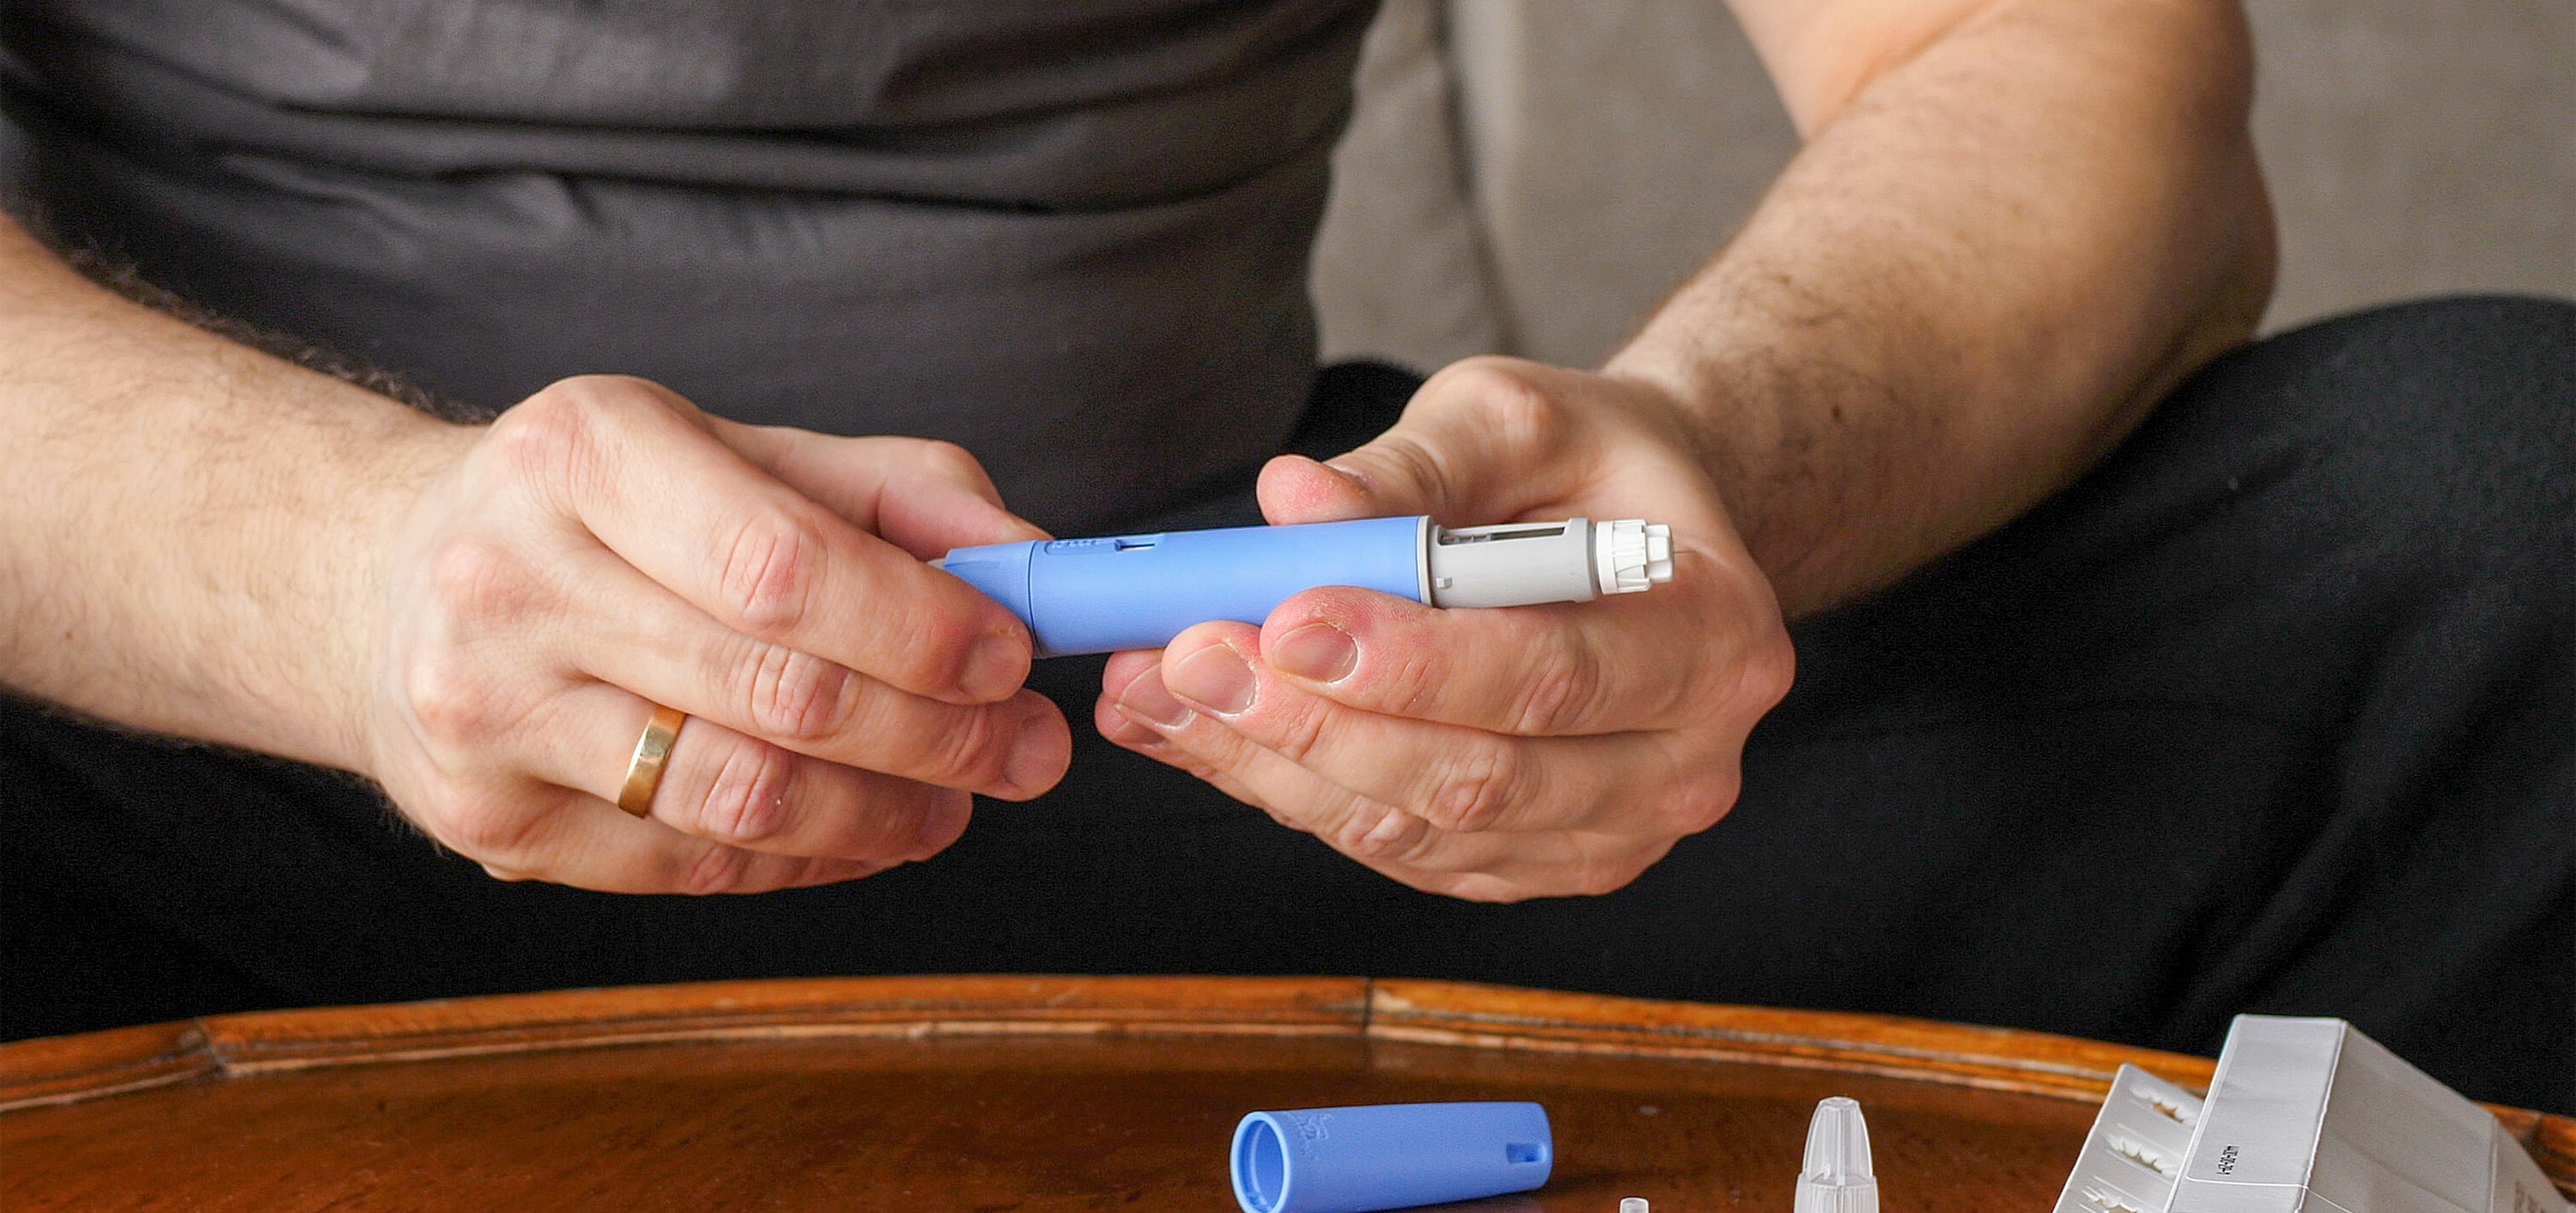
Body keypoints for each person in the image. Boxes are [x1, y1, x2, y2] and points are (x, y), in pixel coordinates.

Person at [2, 0, 2567, 1109]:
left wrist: (1709, 460)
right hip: (223, 764)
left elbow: (2063, 69)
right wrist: (356, 576)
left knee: (2504, 520)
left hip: (1249, 751)